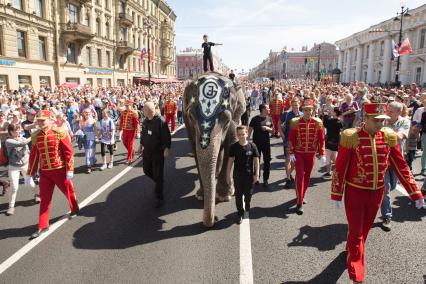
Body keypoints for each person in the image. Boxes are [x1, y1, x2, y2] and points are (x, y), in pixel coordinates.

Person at [331, 103, 424, 284]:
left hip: (378, 193)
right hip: (355, 192)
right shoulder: (351, 137)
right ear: (366, 119)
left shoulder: (388, 136)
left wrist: (415, 193)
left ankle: (352, 250)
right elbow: (340, 167)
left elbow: (401, 165)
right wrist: (336, 193)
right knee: (357, 232)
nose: (381, 124)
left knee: (363, 231)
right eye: (376, 121)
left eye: (383, 121)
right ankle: (357, 272)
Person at [26, 110, 79, 239]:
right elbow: (34, 156)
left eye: (43, 120)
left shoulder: (59, 132)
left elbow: (68, 152)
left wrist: (70, 169)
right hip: (45, 173)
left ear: (49, 119)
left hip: (60, 170)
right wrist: (29, 174)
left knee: (69, 191)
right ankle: (43, 225)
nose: (40, 123)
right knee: (44, 199)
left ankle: (74, 208)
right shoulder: (36, 136)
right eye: (38, 120)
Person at [288, 99, 326, 215]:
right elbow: (291, 139)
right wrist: (291, 153)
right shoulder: (295, 122)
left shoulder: (318, 122)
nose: (308, 112)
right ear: (302, 110)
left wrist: (322, 153)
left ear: (313, 110)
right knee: (299, 175)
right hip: (299, 153)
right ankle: (299, 203)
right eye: (305, 110)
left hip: (311, 154)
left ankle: (301, 196)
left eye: (310, 110)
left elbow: (321, 139)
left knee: (308, 176)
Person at [380, 102, 410, 231]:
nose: (387, 113)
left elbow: (401, 135)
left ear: (398, 112)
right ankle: (387, 216)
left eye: (391, 111)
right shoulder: (382, 120)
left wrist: (386, 133)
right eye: (387, 110)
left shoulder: (404, 122)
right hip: (383, 159)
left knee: (393, 185)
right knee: (385, 189)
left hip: (397, 160)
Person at [138, 101, 171, 208]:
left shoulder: (161, 121)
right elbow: (143, 134)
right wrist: (140, 146)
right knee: (146, 170)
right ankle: (158, 182)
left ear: (150, 110)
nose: (143, 111)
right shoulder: (146, 121)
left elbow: (166, 136)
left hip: (157, 153)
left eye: (144, 109)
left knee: (158, 173)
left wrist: (166, 149)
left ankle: (159, 197)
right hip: (147, 151)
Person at [226, 125, 259, 224]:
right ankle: (240, 212)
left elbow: (256, 160)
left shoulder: (252, 146)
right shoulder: (233, 147)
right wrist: (228, 175)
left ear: (247, 134)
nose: (241, 136)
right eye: (239, 134)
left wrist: (256, 174)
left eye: (243, 134)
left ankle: (247, 203)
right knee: (238, 195)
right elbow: (230, 161)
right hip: (238, 175)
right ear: (237, 135)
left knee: (248, 194)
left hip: (249, 175)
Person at [5, 124, 38, 216]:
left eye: (19, 130)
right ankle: (11, 206)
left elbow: (27, 149)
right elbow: (23, 143)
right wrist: (34, 134)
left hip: (25, 165)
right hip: (13, 167)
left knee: (30, 183)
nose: (18, 131)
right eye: (16, 130)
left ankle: (37, 195)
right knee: (15, 187)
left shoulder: (22, 137)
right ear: (11, 132)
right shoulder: (8, 141)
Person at [278, 98, 303, 189]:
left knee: (294, 161)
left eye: (296, 105)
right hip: (288, 141)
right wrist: (281, 134)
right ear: (291, 106)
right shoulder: (287, 114)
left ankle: (289, 174)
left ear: (299, 105)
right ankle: (288, 179)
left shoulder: (302, 115)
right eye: (293, 105)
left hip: (298, 142)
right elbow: (279, 123)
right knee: (288, 159)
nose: (295, 107)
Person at [248, 104, 273, 187]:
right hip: (256, 144)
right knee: (256, 160)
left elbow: (273, 131)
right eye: (267, 108)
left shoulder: (269, 118)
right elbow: (249, 131)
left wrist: (268, 129)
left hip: (266, 144)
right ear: (262, 109)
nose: (269, 109)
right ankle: (256, 178)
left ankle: (266, 179)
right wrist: (247, 142)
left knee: (267, 161)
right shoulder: (255, 119)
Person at [322, 107, 343, 177]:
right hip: (336, 141)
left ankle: (329, 172)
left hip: (329, 140)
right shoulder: (340, 122)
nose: (331, 111)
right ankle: (338, 171)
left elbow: (324, 124)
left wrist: (325, 115)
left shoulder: (330, 120)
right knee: (334, 157)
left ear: (335, 113)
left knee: (328, 156)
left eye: (332, 111)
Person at [80, 108, 97, 173]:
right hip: (85, 137)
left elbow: (95, 129)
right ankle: (92, 161)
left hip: (91, 137)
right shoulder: (82, 121)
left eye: (88, 112)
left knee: (91, 151)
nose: (87, 113)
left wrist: (97, 137)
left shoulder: (93, 120)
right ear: (83, 113)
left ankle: (89, 165)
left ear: (90, 113)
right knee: (87, 151)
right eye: (86, 112)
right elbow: (81, 129)